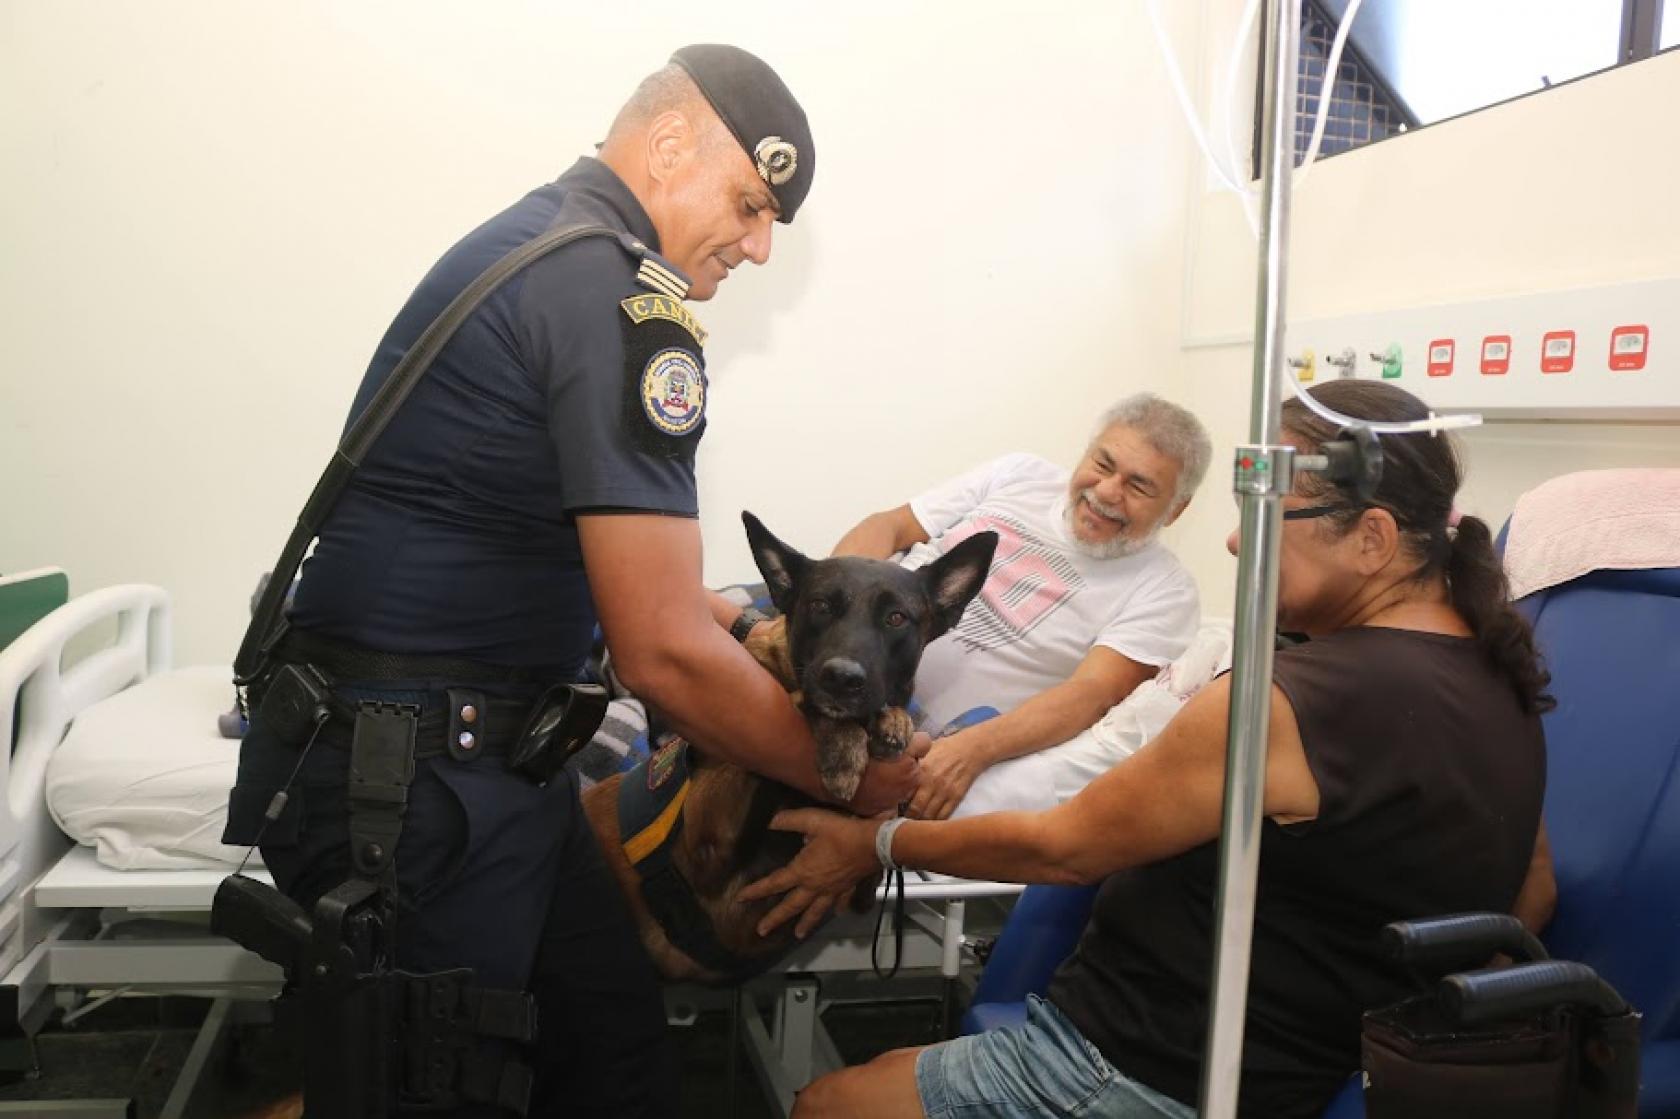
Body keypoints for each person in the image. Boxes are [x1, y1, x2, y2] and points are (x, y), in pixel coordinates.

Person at [224, 45, 917, 1118]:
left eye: (772, 217)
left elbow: (600, 572)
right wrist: (854, 787)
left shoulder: (545, 245)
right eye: (748, 203)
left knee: (616, 1054)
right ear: (671, 141)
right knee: (437, 1089)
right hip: (417, 781)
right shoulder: (619, 304)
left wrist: (737, 621)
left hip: (484, 763)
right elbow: (658, 653)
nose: (760, 246)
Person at [741, 379, 1557, 1119]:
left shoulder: (1282, 702)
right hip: (1285, 1069)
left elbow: (1062, 845)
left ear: (1373, 539)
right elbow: (1531, 895)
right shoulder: (1503, 679)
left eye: (1264, 514)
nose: (1238, 545)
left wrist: (871, 842)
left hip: (1134, 1070)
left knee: (825, 1104)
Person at [842, 394, 1211, 820]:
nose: (1107, 492)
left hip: (923, 729)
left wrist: (973, 750)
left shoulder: (1166, 589)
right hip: (853, 651)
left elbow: (1091, 695)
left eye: (1139, 485)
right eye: (1103, 465)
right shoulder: (1019, 475)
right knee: (744, 623)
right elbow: (887, 526)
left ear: (1176, 509)